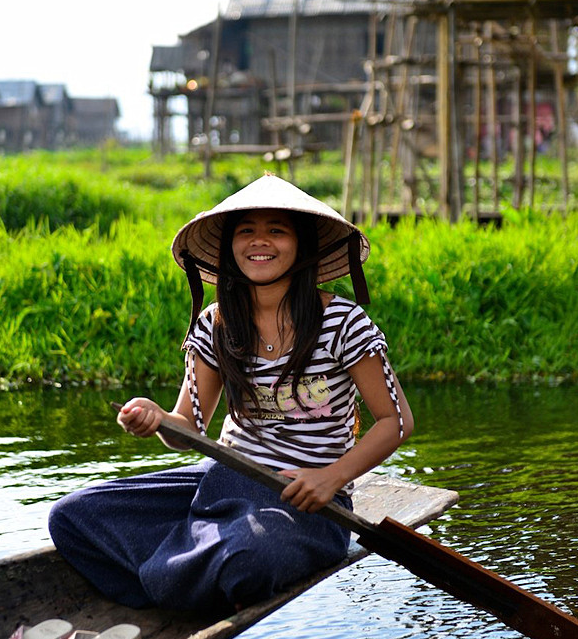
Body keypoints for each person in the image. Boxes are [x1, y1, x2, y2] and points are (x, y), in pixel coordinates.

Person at [49, 174, 414, 616]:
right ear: (229, 247)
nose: (260, 242)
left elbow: (396, 421)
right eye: (246, 231)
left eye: (276, 230)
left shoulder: (341, 322)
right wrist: (155, 417)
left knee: (251, 559)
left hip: (305, 498)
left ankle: (188, 567)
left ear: (301, 245)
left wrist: (331, 478)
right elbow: (187, 430)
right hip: (224, 481)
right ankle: (186, 574)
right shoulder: (216, 322)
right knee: (73, 515)